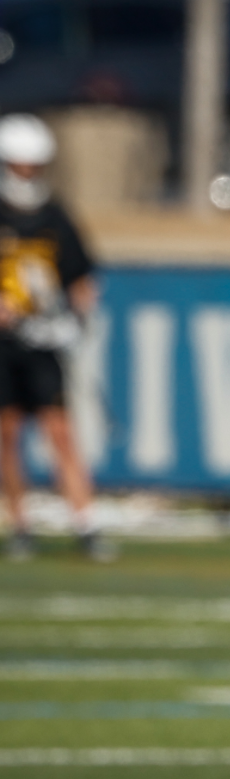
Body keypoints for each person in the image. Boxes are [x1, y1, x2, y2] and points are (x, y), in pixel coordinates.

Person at [0, 113, 105, 562]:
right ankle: (21, 523)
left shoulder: (55, 214)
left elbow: (81, 279)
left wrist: (75, 324)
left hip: (43, 342)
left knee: (60, 431)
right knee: (6, 433)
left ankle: (85, 523)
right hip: (4, 345)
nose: (28, 174)